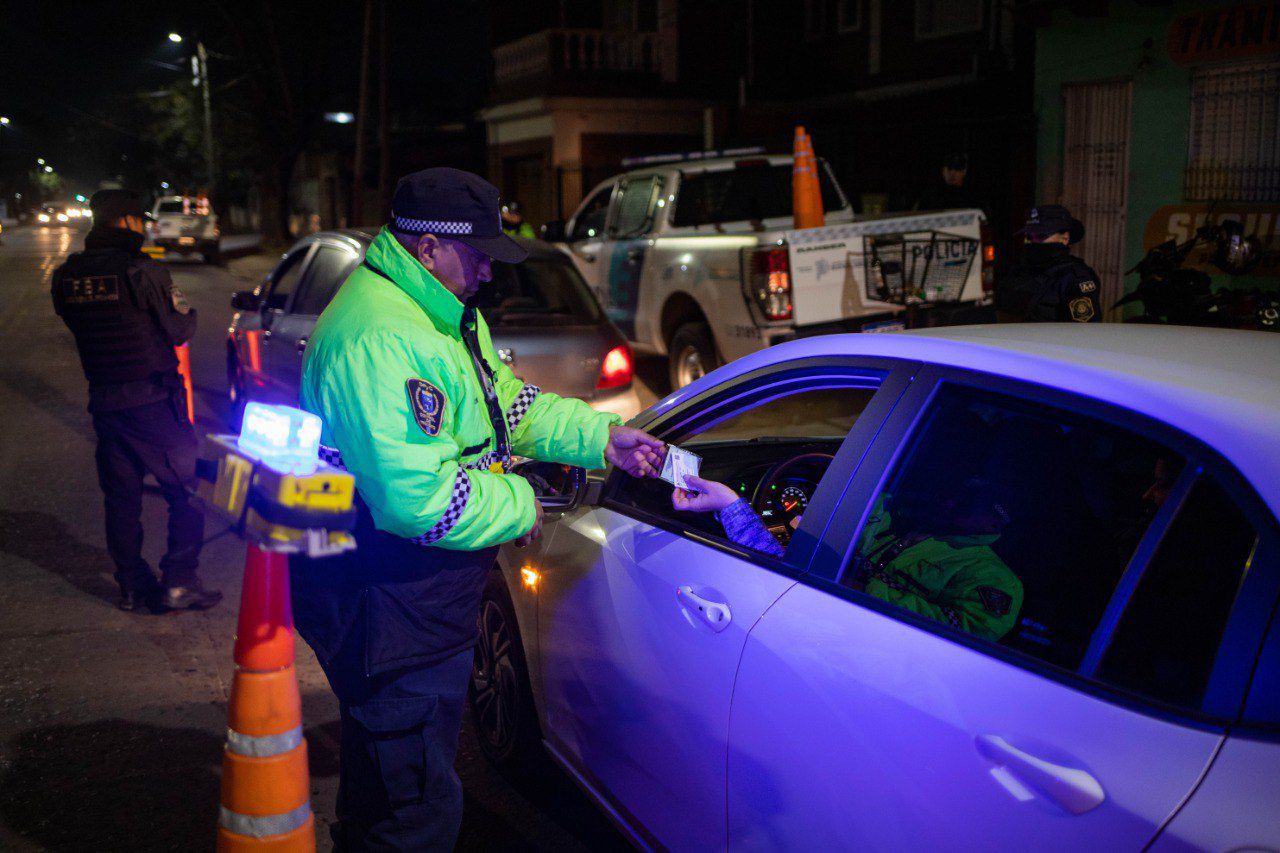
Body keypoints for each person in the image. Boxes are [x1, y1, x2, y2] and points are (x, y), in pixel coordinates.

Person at [292, 167, 665, 850]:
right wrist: (521, 502)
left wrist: (601, 437)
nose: (488, 272)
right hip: (387, 603)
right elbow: (418, 500)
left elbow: (505, 406)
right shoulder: (381, 338)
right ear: (429, 246)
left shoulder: (438, 312)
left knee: (385, 784)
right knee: (419, 812)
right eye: (479, 254)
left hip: (414, 602)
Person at [50, 190, 220, 612]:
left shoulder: (67, 276)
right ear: (123, 222)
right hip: (153, 402)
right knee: (189, 490)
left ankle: (131, 585)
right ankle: (180, 580)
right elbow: (180, 330)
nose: (143, 226)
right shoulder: (141, 272)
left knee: (121, 499)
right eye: (138, 219)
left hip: (105, 403)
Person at [673, 473, 1023, 641]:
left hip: (852, 637)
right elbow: (854, 520)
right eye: (957, 495)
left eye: (968, 505)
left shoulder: (994, 578)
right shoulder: (908, 520)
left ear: (993, 521)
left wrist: (862, 588)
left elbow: (966, 632)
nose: (951, 503)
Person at [997, 204, 1102, 323]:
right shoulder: (1017, 270)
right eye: (1029, 237)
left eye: (1041, 236)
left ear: (1064, 238)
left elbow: (1084, 334)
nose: (1033, 242)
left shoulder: (1075, 278)